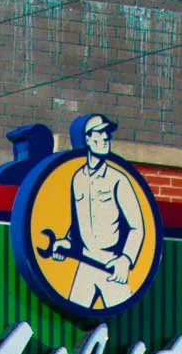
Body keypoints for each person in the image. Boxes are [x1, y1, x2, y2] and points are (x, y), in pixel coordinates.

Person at [47, 113, 145, 310]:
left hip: (111, 265)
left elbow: (137, 227)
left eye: (107, 134)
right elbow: (76, 222)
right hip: (84, 263)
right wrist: (65, 243)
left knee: (128, 327)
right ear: (87, 139)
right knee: (69, 322)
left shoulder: (118, 179)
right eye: (99, 133)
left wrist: (126, 260)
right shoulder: (77, 178)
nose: (106, 138)